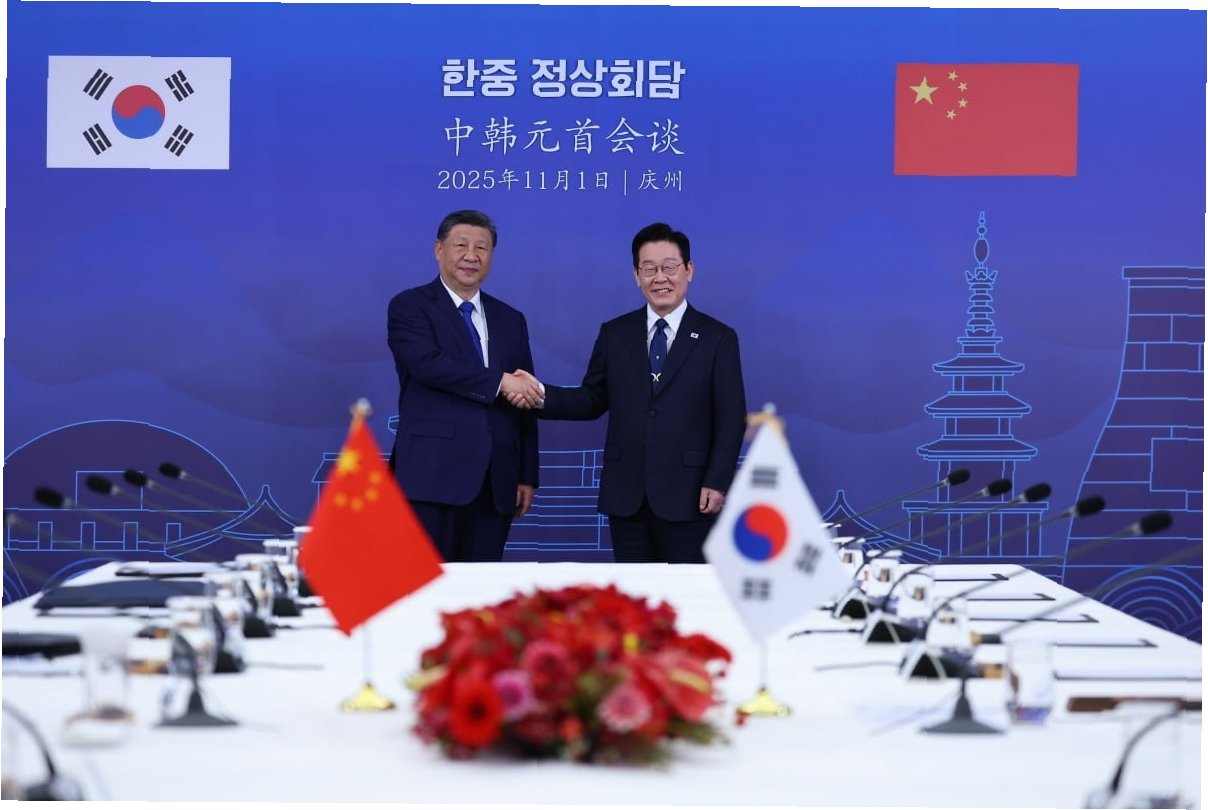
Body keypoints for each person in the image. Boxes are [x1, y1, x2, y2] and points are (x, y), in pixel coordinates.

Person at [510, 222, 746, 563]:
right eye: (649, 269)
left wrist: (717, 481)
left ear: (689, 270)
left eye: (669, 267)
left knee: (689, 593)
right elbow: (592, 399)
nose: (660, 278)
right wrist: (538, 393)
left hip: (692, 495)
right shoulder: (616, 334)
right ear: (637, 276)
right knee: (636, 592)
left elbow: (731, 418)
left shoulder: (718, 338)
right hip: (627, 497)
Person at [387, 210, 543, 562]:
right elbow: (428, 365)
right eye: (461, 245)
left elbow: (525, 397)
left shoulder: (510, 319)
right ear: (438, 249)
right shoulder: (410, 307)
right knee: (427, 584)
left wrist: (526, 474)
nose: (471, 256)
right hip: (431, 476)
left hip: (495, 481)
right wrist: (500, 381)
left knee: (482, 588)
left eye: (481, 248)